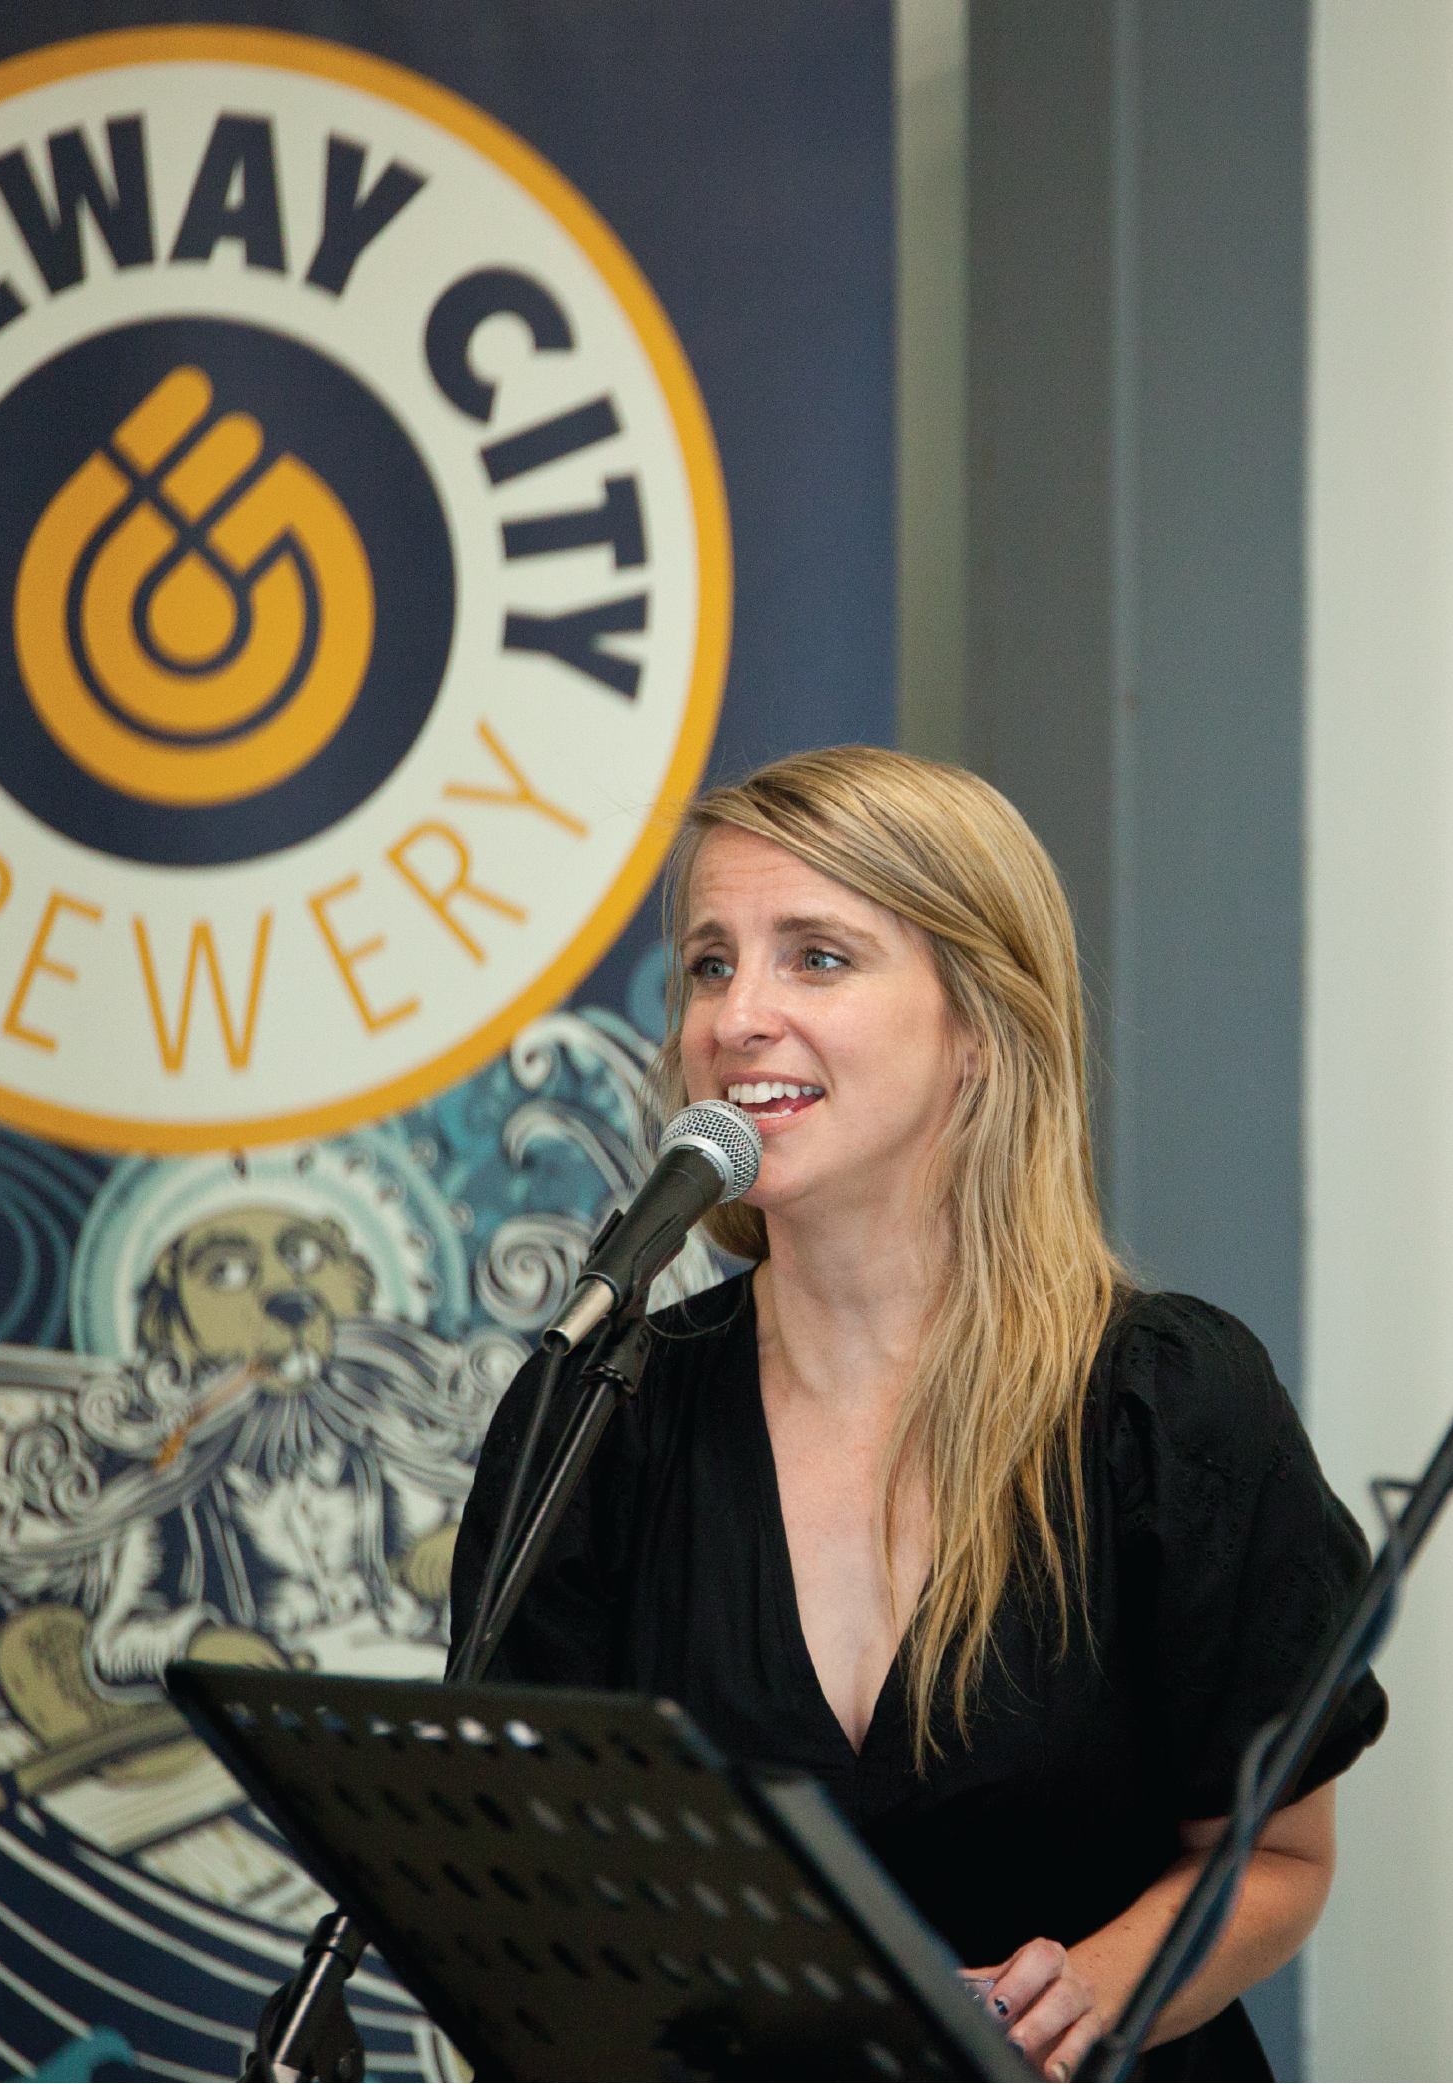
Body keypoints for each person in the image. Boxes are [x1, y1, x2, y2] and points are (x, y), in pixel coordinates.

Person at [449, 746, 1386, 2082]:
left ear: (979, 1029)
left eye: (816, 957)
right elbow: (514, 1899)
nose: (735, 1016)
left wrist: (1108, 1981)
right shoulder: (602, 1410)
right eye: (711, 963)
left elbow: (1277, 1857)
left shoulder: (1164, 1403)